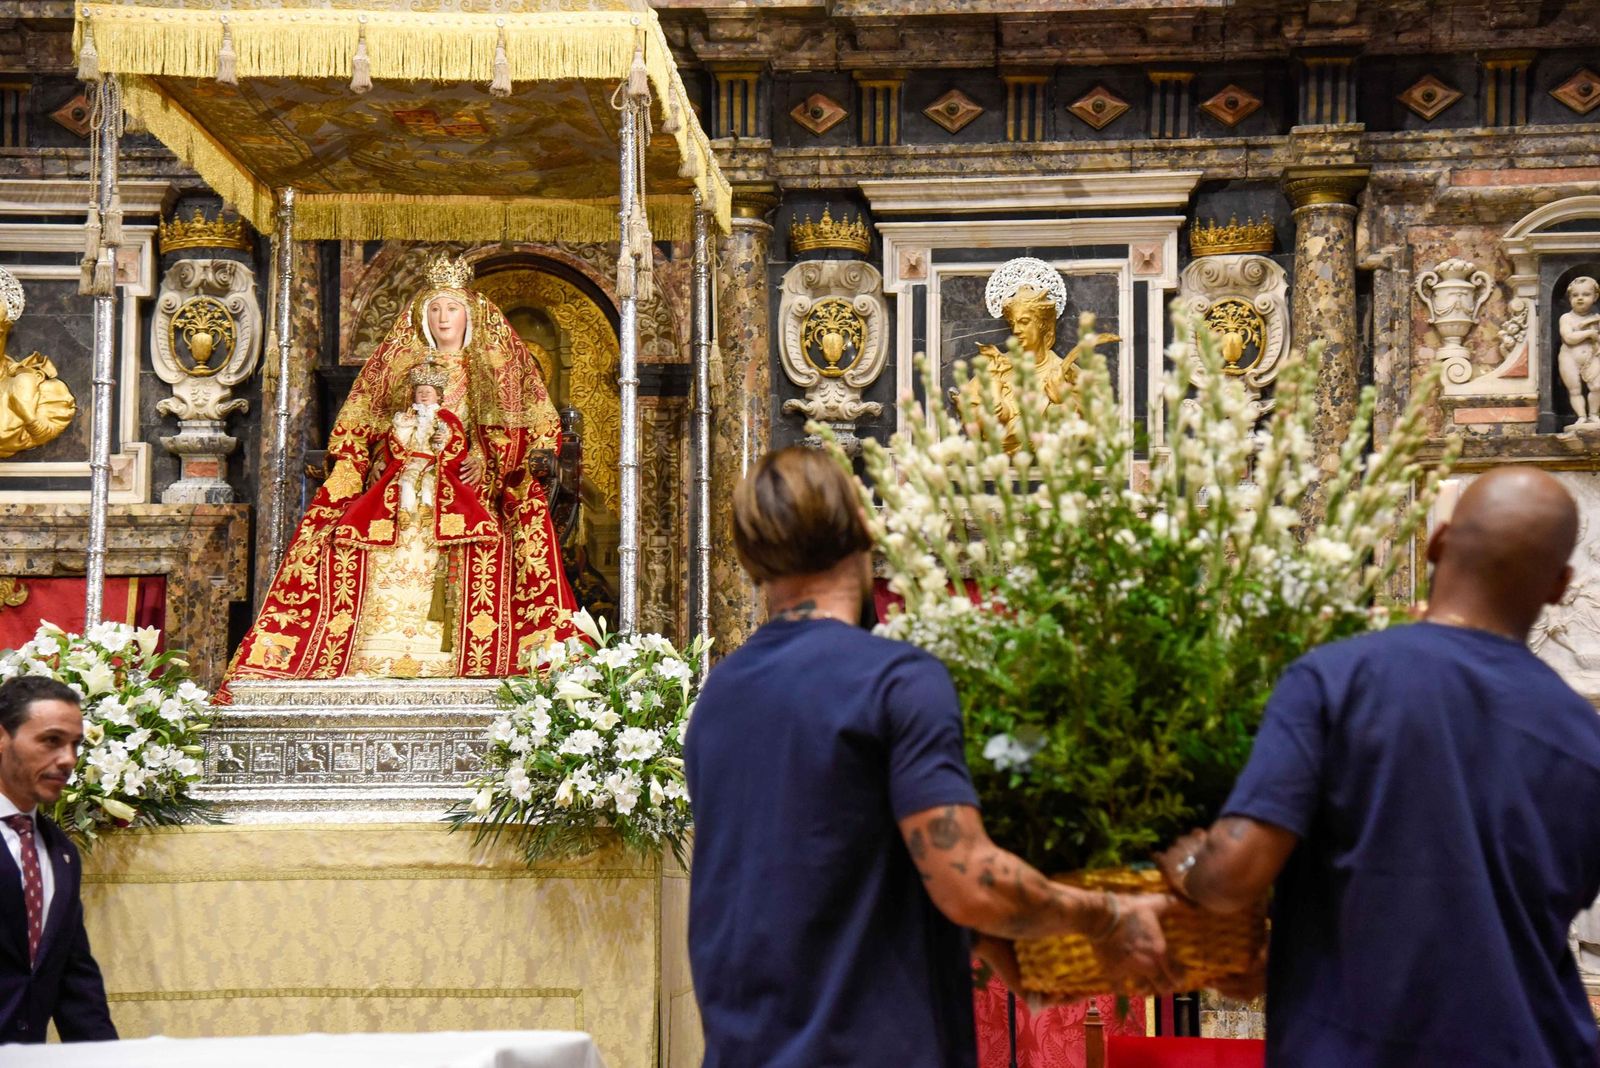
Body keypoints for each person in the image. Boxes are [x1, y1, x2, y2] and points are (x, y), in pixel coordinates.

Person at [685, 446, 1175, 1068]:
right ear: (863, 532)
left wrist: (1002, 945)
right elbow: (966, 877)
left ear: (752, 555)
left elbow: (822, 873)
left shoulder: (720, 698)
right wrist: (1106, 915)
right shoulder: (894, 680)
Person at [1155, 466, 1600, 1067]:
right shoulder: (1584, 737)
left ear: (1438, 543)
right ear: (1560, 585)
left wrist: (1187, 863)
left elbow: (1234, 875)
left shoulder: (1338, 679)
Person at [220, 254, 577, 696]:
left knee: (494, 529)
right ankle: (373, 649)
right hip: (403, 482)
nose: (443, 317)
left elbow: (535, 431)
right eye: (434, 309)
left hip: (473, 487)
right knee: (348, 532)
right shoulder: (399, 367)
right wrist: (370, 458)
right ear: (422, 316)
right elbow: (360, 424)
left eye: (452, 308)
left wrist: (490, 461)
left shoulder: (497, 368)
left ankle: (461, 652)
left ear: (471, 314)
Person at [0, 676, 117, 1044]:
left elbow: (75, 983)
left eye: (75, 745)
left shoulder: (60, 851)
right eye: (51, 741)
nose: (68, 760)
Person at [1558, 275, 1600, 428]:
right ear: (1569, 298)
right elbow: (1569, 337)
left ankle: (1593, 414)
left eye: (1586, 294)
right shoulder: (1566, 318)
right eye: (1575, 295)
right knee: (1574, 389)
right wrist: (1589, 334)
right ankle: (1581, 416)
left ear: (1595, 297)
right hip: (1569, 358)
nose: (1580, 298)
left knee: (1597, 386)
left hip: (1592, 356)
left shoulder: (1597, 318)